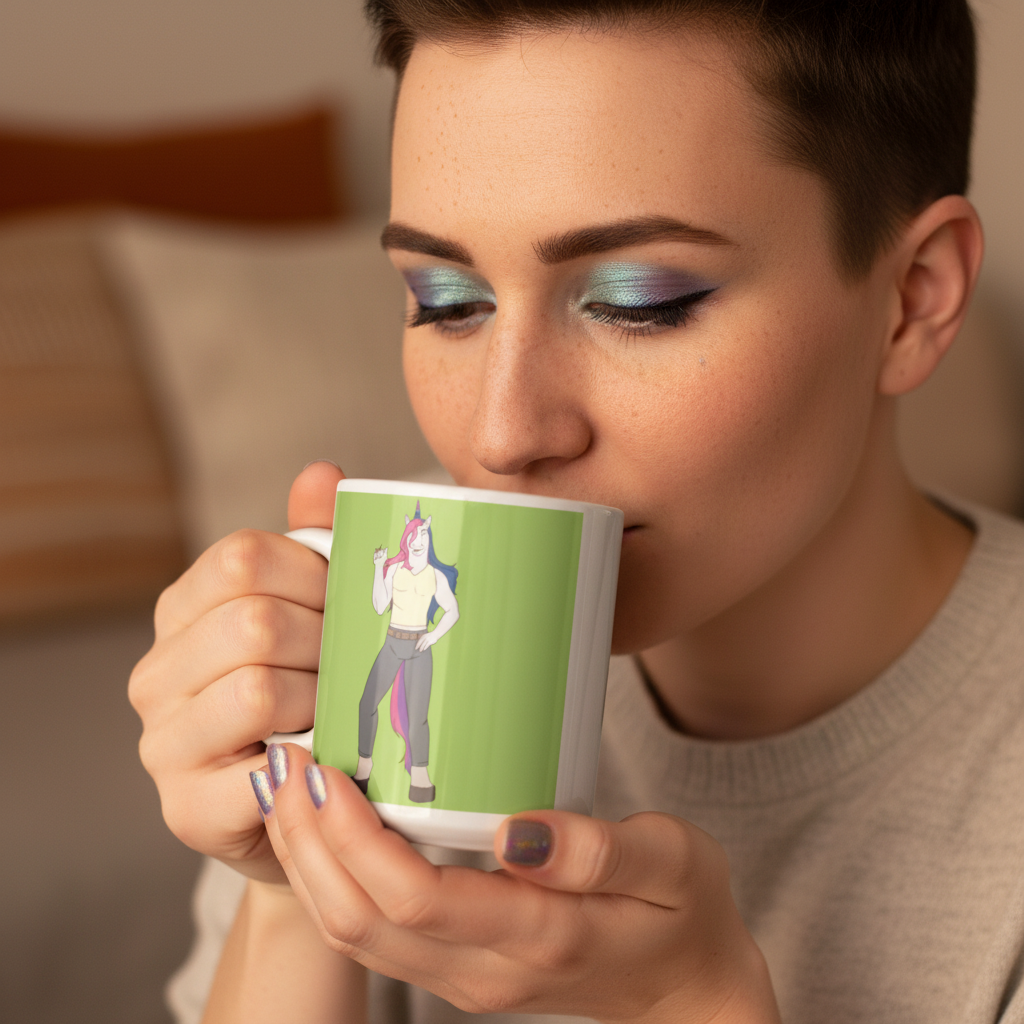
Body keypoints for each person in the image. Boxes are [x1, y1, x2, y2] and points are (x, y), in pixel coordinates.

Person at [127, 1, 1024, 1021]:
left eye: (637, 300)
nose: (504, 434)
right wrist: (297, 879)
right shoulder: (368, 646)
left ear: (912, 297)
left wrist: (693, 1001)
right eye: (446, 298)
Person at [355, 505, 460, 802]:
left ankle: (421, 777)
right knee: (367, 703)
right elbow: (379, 606)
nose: (419, 539)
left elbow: (452, 611)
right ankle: (364, 767)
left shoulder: (436, 576)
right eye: (414, 534)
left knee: (418, 717)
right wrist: (378, 568)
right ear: (406, 538)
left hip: (418, 647)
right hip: (391, 642)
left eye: (424, 533)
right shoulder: (395, 570)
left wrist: (434, 635)